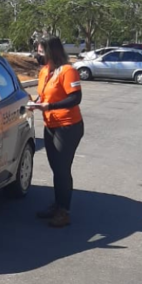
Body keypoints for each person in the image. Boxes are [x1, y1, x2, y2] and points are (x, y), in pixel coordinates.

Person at [28, 36, 84, 228]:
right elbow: (43, 95)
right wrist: (35, 103)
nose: (38, 54)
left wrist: (49, 106)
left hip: (68, 127)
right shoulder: (44, 71)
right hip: (50, 125)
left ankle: (64, 212)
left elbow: (75, 98)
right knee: (55, 168)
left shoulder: (68, 71)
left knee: (62, 169)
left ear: (52, 52)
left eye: (41, 51)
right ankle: (58, 205)